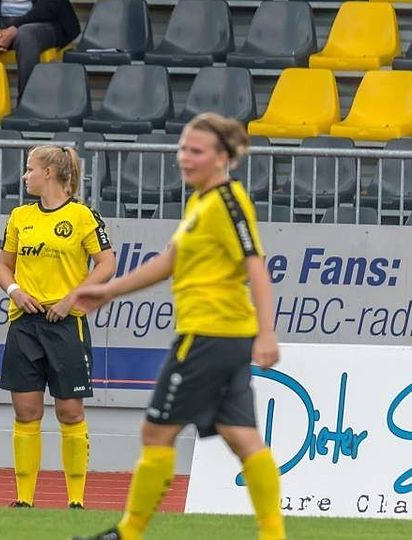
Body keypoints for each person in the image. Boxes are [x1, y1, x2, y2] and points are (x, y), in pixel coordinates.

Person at [71, 113, 286, 540]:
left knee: (156, 431)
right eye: (183, 148)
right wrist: (108, 291)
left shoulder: (227, 202)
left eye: (196, 151)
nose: (184, 157)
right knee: (242, 436)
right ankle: (273, 535)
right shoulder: (200, 203)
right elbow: (169, 261)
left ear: (222, 157)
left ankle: (129, 532)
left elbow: (256, 266)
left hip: (209, 335)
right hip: (225, 337)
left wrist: (268, 332)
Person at [0, 146, 116, 509]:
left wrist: (71, 300)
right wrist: (16, 292)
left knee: (70, 412)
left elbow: (106, 263)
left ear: (48, 172)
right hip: (25, 324)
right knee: (26, 412)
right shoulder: (20, 216)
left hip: (65, 324)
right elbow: (2, 266)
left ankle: (76, 501)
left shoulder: (82, 216)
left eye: (29, 169)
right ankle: (24, 500)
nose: (24, 176)